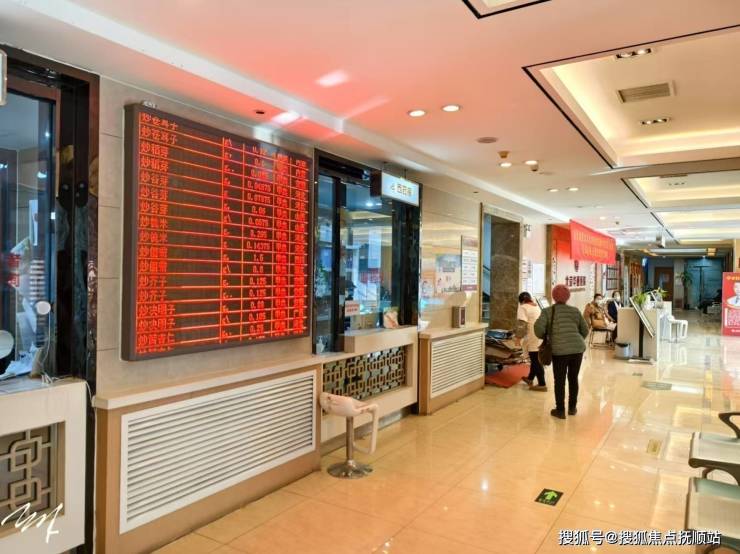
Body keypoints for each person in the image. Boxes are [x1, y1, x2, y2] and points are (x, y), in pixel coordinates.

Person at [534, 284, 589, 419]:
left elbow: (538, 331)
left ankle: (560, 410)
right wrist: (574, 340)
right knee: (573, 378)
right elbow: (585, 330)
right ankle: (572, 408)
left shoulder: (547, 311)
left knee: (559, 380)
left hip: (559, 351)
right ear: (568, 297)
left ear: (553, 297)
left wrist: (548, 335)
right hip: (577, 349)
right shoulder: (575, 311)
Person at [515, 292, 546, 391]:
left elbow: (522, 325)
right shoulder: (536, 306)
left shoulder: (523, 307)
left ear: (521, 301)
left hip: (532, 336)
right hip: (540, 335)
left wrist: (518, 338)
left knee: (536, 360)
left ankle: (542, 384)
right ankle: (530, 378)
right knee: (535, 358)